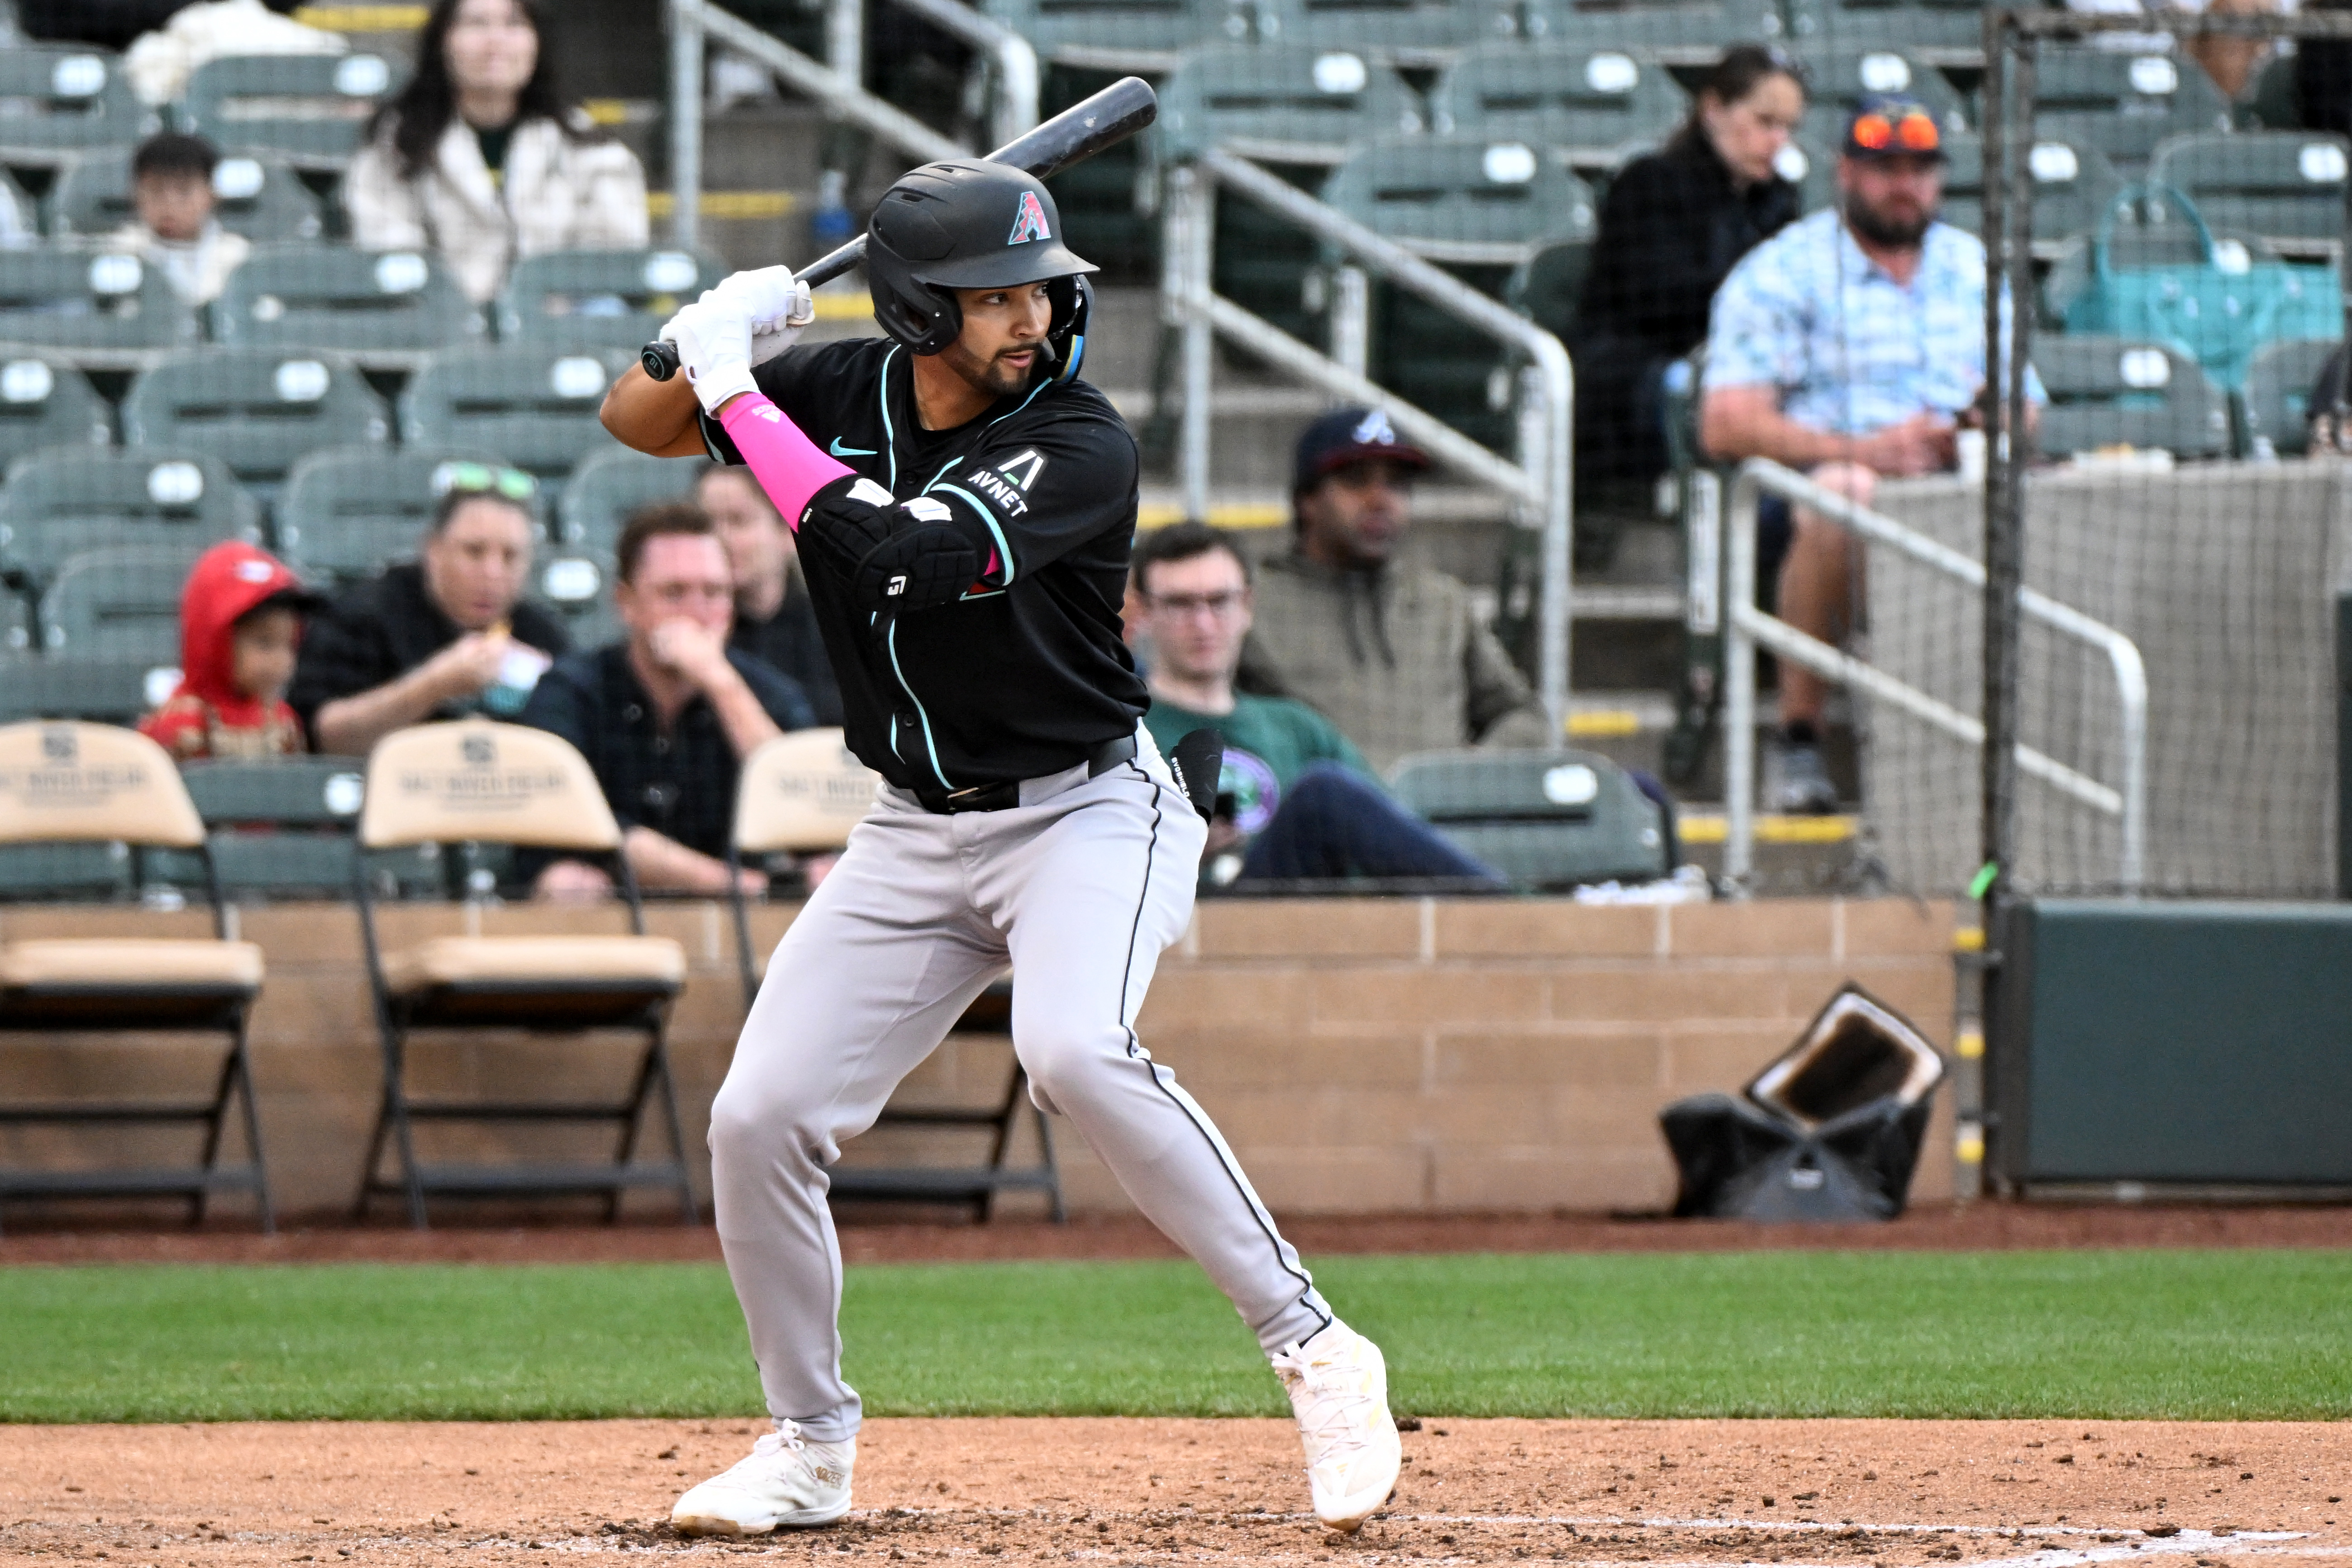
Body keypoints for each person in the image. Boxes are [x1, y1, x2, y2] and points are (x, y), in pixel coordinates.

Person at [600, 162, 1401, 1540]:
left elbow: (900, 558)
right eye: (990, 295)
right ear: (920, 308)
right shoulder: (845, 386)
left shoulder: (1083, 440)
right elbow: (636, 424)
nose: (1029, 313)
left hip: (1090, 810)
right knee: (757, 1120)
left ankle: (1317, 1345)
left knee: (1074, 1049)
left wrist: (736, 388)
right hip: (913, 829)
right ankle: (807, 1443)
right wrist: (702, 334)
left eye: (1038, 285)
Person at [1700, 93, 2043, 813]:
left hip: (1956, 477)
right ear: (1846, 173)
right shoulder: (1784, 269)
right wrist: (1869, 449)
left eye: (1919, 168)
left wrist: (1978, 424)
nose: (1904, 184)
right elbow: (1725, 422)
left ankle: (2028, 747)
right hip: (1823, 486)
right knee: (1846, 490)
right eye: (1884, 168)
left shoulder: (1969, 266)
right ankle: (1799, 737)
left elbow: (2026, 405)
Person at [1134, 522, 1503, 889]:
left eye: (1219, 602)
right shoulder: (1126, 733)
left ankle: (1515, 914)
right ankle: (1520, 912)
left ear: (1247, 606)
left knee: (1327, 797)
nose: (1202, 623)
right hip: (1180, 920)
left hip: (1307, 921)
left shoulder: (1296, 729)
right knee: (1321, 797)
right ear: (1145, 612)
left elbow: (1393, 831)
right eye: (1180, 604)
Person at [519, 504, 814, 899]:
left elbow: (807, 813)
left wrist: (720, 683)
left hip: (749, 904)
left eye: (714, 593)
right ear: (626, 603)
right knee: (568, 885)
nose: (696, 614)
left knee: (824, 875)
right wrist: (739, 885)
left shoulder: (765, 692)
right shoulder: (573, 689)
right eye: (674, 593)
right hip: (624, 895)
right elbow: (579, 826)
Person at [1245, 408, 1551, 774]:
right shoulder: (1250, 602)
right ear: (1306, 500)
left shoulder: (1443, 602)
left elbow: (1521, 714)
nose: (1380, 500)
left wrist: (1473, 770)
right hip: (1317, 816)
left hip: (1435, 815)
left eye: (1397, 484)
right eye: (1357, 481)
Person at [1569, 45, 1805, 497]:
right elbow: (1658, 302)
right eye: (1764, 122)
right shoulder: (1648, 183)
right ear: (1713, 109)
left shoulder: (1778, 203)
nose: (1778, 141)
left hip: (1744, 365)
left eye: (1788, 128)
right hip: (1638, 372)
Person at [343, 0, 648, 304]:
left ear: (537, 41)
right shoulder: (396, 145)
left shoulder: (590, 148)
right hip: (439, 331)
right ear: (442, 42)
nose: (496, 41)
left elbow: (616, 260)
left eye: (514, 24)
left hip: (560, 331)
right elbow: (387, 253)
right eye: (477, 24)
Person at [289, 469, 570, 755]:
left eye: (511, 556)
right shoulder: (367, 615)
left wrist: (553, 690)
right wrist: (434, 686)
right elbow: (323, 737)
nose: (493, 573)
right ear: (433, 550)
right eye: (474, 552)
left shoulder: (541, 633)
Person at [138, 540, 322, 761]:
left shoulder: (283, 721)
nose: (282, 661)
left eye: (289, 644)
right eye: (265, 643)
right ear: (211, 640)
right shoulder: (177, 727)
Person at [698, 463, 845, 727]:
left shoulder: (834, 628)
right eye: (704, 524)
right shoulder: (693, 633)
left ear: (786, 532)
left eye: (738, 520)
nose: (717, 538)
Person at [111, 132, 252, 306]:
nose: (169, 204)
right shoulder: (119, 253)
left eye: (184, 191)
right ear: (136, 195)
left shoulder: (239, 256)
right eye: (156, 190)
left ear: (212, 195)